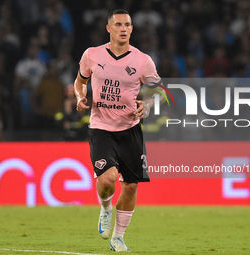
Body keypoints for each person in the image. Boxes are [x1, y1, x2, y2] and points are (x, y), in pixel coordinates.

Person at [74, 9, 164, 252]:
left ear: (132, 29)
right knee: (108, 181)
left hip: (131, 130)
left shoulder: (142, 60)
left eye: (128, 24)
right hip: (101, 127)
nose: (124, 28)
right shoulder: (92, 55)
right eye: (119, 24)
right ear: (109, 28)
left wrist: (148, 104)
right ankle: (105, 208)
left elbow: (160, 91)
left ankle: (118, 238)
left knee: (131, 186)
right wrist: (80, 97)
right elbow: (80, 81)